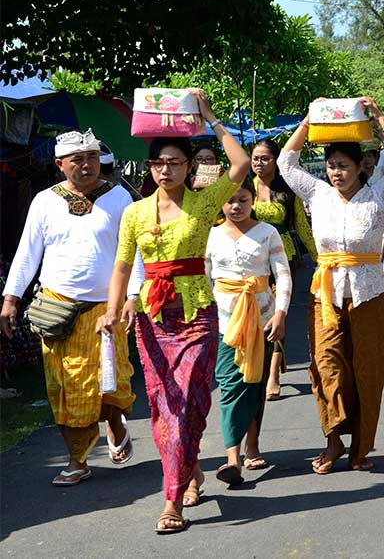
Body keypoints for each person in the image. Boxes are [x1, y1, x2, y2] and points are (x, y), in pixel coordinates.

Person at [99, 90, 250, 534]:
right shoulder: (134, 213)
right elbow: (122, 265)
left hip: (197, 313)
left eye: (174, 162)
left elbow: (241, 164)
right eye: (158, 163)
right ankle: (187, 473)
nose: (165, 169)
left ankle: (172, 503)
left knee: (188, 402)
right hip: (152, 318)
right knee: (165, 406)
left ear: (188, 166)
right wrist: (112, 310)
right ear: (149, 167)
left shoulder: (203, 202)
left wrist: (210, 118)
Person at [1, 130, 142, 486]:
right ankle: (77, 460)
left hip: (106, 311)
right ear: (60, 164)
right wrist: (10, 299)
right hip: (58, 312)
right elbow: (27, 253)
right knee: (64, 386)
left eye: (92, 157)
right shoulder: (44, 201)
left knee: (111, 380)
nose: (86, 165)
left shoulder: (119, 197)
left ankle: (113, 422)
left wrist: (133, 296)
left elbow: (134, 251)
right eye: (77, 159)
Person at [278, 96, 384, 474]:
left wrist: (379, 116)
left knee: (367, 369)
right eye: (331, 166)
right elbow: (286, 163)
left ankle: (360, 447)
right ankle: (333, 437)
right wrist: (309, 119)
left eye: (343, 166)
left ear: (359, 167)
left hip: (371, 293)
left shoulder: (379, 194)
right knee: (326, 365)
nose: (336, 173)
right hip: (326, 293)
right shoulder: (317, 194)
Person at [206, 178, 291, 484]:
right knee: (229, 385)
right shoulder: (210, 235)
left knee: (255, 384)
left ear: (253, 199)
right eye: (230, 200)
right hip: (224, 322)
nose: (236, 206)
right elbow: (204, 280)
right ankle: (232, 457)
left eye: (242, 199)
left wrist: (280, 313)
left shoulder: (268, 233)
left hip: (262, 319)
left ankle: (252, 446)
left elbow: (283, 275)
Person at [250, 138, 317, 401]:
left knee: (277, 315)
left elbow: (302, 227)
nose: (259, 163)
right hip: (250, 259)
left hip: (283, 258)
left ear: (275, 161)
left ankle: (273, 375)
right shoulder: (244, 187)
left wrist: (321, 259)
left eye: (265, 158)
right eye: (255, 158)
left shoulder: (287, 190)